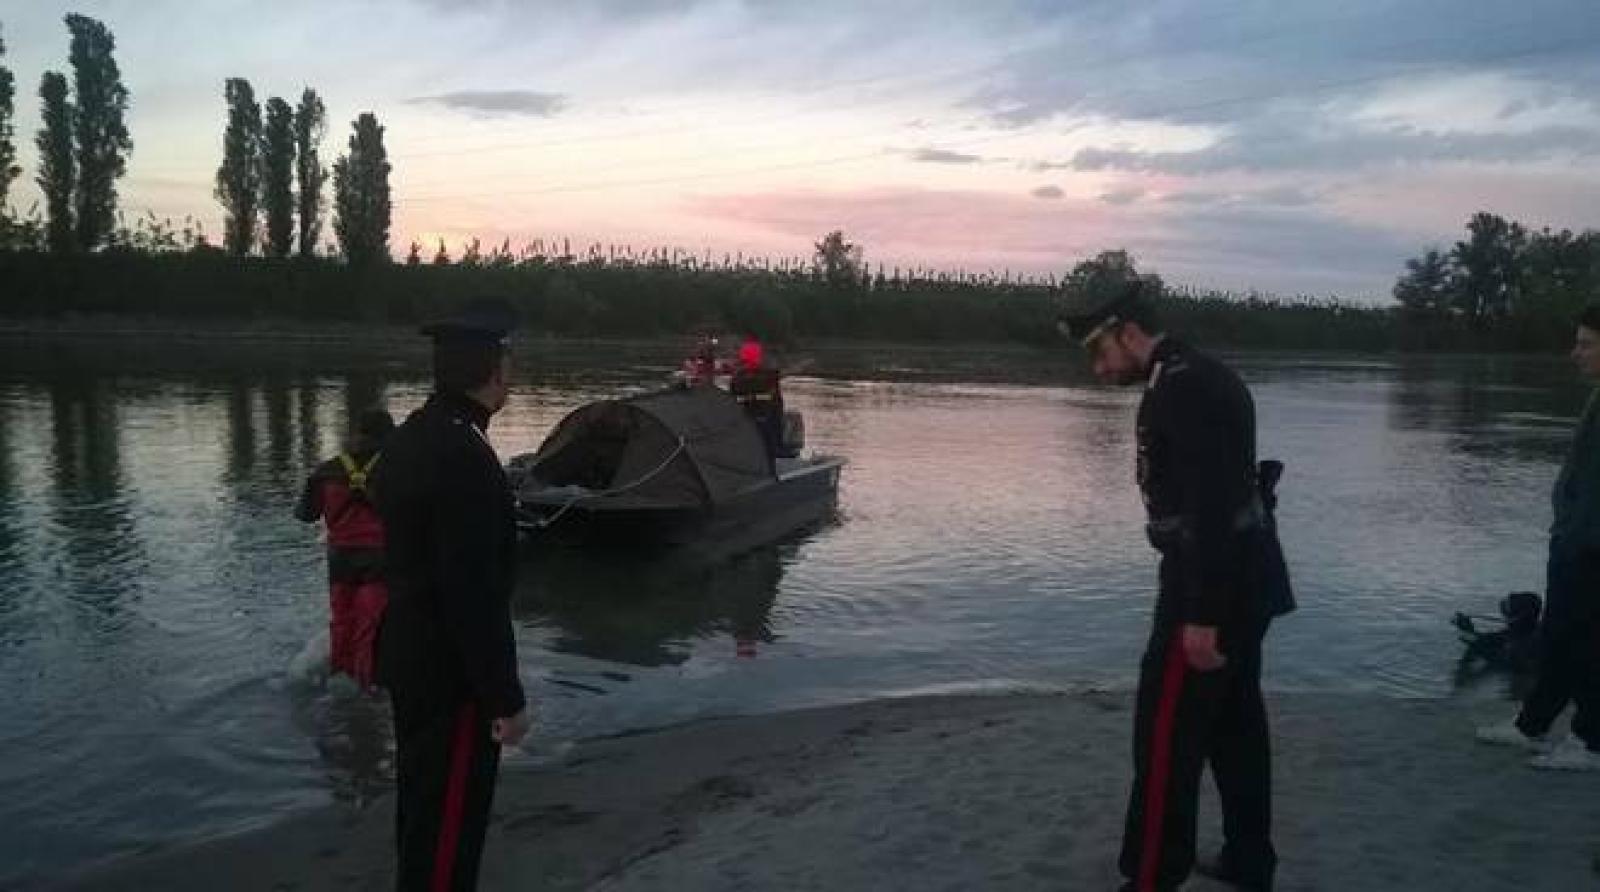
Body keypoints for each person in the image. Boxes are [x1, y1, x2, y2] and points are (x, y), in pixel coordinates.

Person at [1061, 285, 1294, 892]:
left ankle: (1151, 878)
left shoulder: (1183, 388)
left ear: (1129, 332)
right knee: (1236, 727)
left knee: (1165, 736)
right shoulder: (1200, 374)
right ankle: (1249, 860)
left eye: (1099, 349)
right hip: (1243, 576)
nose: (1098, 366)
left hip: (1208, 584)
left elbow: (1211, 508)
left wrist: (1201, 614)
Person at [372, 299, 531, 890]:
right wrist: (504, 698)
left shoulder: (413, 436)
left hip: (410, 654)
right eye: (509, 361)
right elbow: (472, 591)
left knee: (422, 806)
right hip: (451, 673)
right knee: (451, 825)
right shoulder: (465, 455)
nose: (512, 373)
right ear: (495, 371)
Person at [1476, 304, 1600, 771]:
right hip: (1577, 542)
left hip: (1588, 547)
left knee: (1583, 643)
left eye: (1587, 343)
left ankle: (1590, 743)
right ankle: (1533, 725)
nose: (1575, 353)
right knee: (1564, 639)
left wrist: (1576, 539)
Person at [295, 408, 395, 690]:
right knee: (369, 625)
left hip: (339, 558)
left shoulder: (327, 470)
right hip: (379, 559)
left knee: (342, 620)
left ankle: (339, 679)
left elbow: (306, 514)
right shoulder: (397, 469)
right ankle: (366, 689)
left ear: (358, 433)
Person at [729, 335, 784, 463]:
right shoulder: (767, 376)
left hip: (747, 419)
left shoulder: (738, 378)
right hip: (759, 419)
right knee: (768, 441)